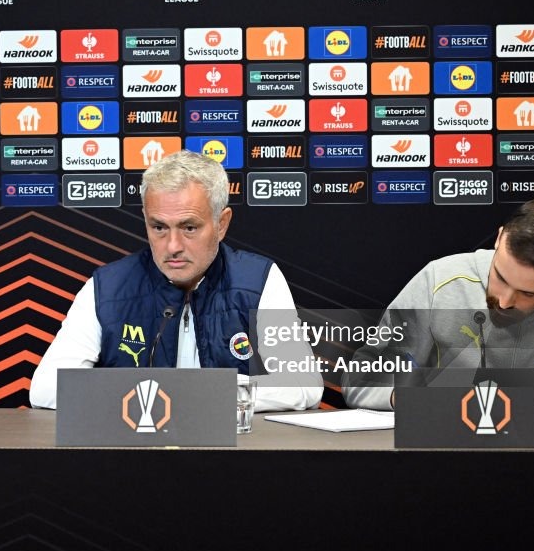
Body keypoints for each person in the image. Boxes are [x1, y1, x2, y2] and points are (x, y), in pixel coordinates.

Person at [30, 149, 323, 411]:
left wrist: (192, 394)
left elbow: (303, 385)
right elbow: (44, 390)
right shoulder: (108, 286)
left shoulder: (258, 281)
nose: (172, 246)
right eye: (158, 227)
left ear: (221, 224)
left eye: (189, 228)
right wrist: (154, 397)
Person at [343, 199, 534, 411]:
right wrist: (409, 398)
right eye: (500, 277)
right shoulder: (439, 279)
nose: (506, 301)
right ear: (498, 239)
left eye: (528, 293)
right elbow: (362, 380)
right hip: (445, 462)